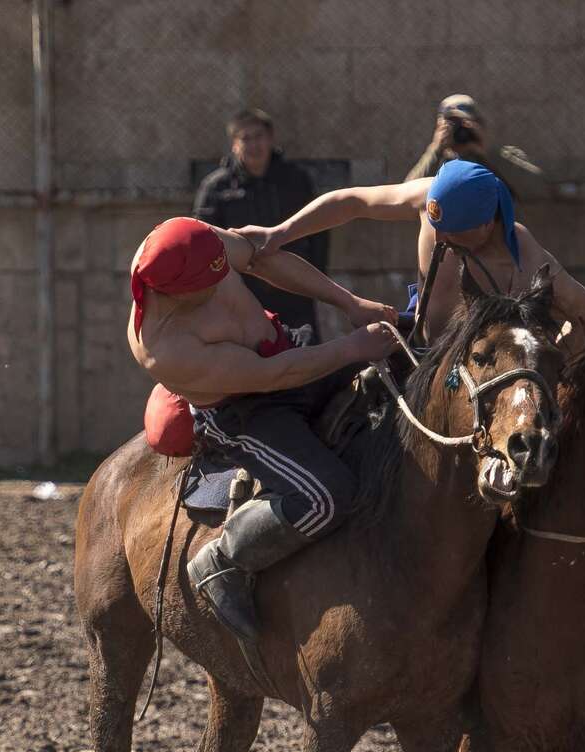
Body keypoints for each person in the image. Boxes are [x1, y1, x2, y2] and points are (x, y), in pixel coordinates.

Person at [127, 218, 398, 654]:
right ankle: (224, 560)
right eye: (210, 282)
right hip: (248, 408)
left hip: (287, 347)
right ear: (176, 291)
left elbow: (260, 258)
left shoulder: (195, 245)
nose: (222, 284)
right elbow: (273, 377)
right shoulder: (168, 348)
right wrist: (352, 348)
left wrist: (349, 302)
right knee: (327, 495)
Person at [240, 159, 585, 352]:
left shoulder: (526, 260)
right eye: (435, 225)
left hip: (485, 379)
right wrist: (279, 233)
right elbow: (351, 202)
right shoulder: (431, 200)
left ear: (487, 224)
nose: (440, 238)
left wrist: (553, 357)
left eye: (453, 231)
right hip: (414, 347)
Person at [194, 109, 328, 339]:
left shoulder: (296, 180)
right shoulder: (216, 187)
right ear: (234, 144)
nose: (254, 145)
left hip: (294, 288)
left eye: (259, 137)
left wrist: (316, 279)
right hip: (242, 292)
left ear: (271, 139)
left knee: (306, 358)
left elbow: (320, 232)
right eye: (246, 138)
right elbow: (201, 239)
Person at [403, 95, 541, 201]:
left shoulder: (501, 156)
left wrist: (486, 152)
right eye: (453, 124)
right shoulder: (434, 161)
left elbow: (537, 188)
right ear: (439, 127)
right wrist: (435, 150)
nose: (460, 131)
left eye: (464, 124)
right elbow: (406, 195)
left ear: (478, 125)